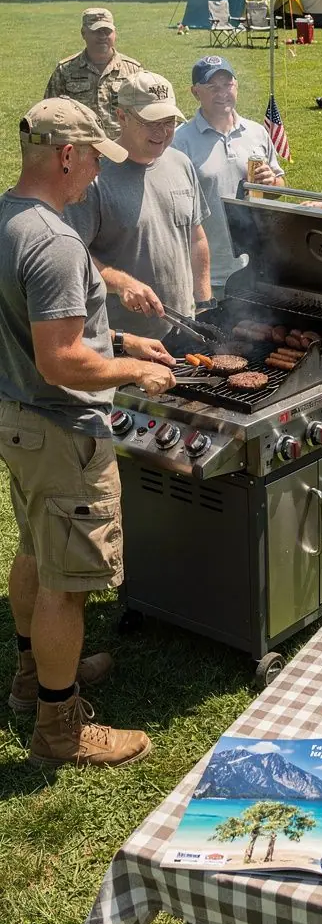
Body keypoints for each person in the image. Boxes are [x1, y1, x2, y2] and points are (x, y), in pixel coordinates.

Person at [0, 99, 176, 766]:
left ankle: (31, 680)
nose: (100, 169)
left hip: (17, 417)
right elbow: (61, 358)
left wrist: (123, 335)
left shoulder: (8, 217)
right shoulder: (54, 239)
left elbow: (44, 324)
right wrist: (133, 370)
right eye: (95, 156)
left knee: (36, 552)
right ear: (66, 154)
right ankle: (59, 728)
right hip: (60, 427)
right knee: (66, 584)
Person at [67, 73, 211, 340]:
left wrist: (203, 303)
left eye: (169, 122)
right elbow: (71, 256)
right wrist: (121, 283)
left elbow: (196, 236)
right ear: (121, 117)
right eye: (150, 122)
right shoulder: (94, 177)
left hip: (185, 330)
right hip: (124, 340)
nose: (162, 132)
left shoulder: (181, 163)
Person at [173, 56, 285, 296]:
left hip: (256, 268)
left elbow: (280, 187)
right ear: (195, 92)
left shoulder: (256, 133)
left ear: (237, 86)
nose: (222, 93)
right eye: (212, 87)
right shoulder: (179, 141)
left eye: (227, 84)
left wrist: (272, 183)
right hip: (205, 275)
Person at [44, 8, 143, 140]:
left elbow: (145, 113)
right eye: (96, 31)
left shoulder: (133, 71)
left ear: (115, 33)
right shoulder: (65, 70)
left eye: (107, 31)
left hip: (122, 148)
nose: (102, 36)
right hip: (80, 148)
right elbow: (49, 113)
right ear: (83, 33)